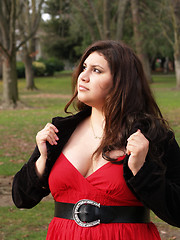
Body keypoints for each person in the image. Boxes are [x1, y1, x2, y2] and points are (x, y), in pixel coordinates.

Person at [12, 40, 180, 240]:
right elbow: (21, 198)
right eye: (84, 67)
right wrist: (41, 162)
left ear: (121, 81)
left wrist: (142, 172)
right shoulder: (60, 132)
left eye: (97, 70)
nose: (83, 76)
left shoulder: (151, 137)